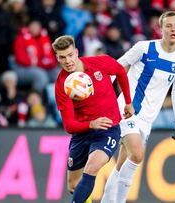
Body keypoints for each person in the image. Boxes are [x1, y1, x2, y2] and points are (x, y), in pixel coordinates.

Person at [101, 11, 175, 203]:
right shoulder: (144, 48)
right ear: (161, 29)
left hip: (148, 119)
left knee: (122, 164)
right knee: (138, 154)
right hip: (128, 109)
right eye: (168, 25)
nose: (173, 29)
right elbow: (118, 66)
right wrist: (102, 92)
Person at [52, 35, 133, 203]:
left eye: (69, 55)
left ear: (76, 52)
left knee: (92, 167)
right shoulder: (62, 84)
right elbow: (69, 125)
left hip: (107, 129)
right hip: (82, 133)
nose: (67, 61)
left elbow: (120, 72)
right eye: (62, 57)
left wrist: (128, 102)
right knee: (73, 186)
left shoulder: (100, 63)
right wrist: (91, 124)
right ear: (57, 58)